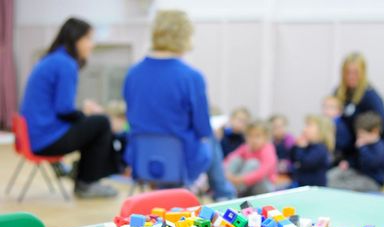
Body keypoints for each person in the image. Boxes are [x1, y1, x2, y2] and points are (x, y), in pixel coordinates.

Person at [123, 10, 235, 200]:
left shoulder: (132, 74)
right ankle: (223, 195)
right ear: (184, 36)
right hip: (181, 161)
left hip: (141, 159)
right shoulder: (191, 77)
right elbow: (202, 129)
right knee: (211, 139)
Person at [20, 18, 119, 198]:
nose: (92, 45)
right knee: (102, 123)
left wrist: (84, 115)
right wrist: (86, 114)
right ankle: (87, 183)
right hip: (46, 139)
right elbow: (64, 110)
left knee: (93, 123)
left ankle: (81, 175)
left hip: (33, 136)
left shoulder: (52, 59)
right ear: (76, 39)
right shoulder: (65, 63)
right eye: (89, 39)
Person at [334, 52, 384, 164]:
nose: (351, 76)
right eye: (347, 72)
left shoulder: (370, 96)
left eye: (355, 73)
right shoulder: (339, 92)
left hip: (364, 154)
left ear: (363, 73)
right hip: (344, 153)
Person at [328, 112, 384, 192]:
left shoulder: (380, 148)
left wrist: (363, 148)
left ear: (375, 132)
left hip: (373, 181)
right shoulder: (365, 144)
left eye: (362, 135)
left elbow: (370, 163)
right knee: (331, 176)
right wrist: (348, 163)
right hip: (359, 174)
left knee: (341, 186)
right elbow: (357, 161)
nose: (359, 138)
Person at [224, 121, 277, 197]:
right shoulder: (247, 147)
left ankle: (232, 191)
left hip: (264, 187)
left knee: (253, 163)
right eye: (250, 136)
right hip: (247, 186)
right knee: (237, 159)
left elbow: (261, 173)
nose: (253, 140)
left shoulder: (268, 150)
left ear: (266, 138)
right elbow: (230, 157)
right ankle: (227, 187)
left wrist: (239, 179)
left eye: (257, 136)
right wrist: (227, 173)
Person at [291, 115, 334, 187]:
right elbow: (293, 158)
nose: (304, 129)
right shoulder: (308, 146)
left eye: (309, 126)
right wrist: (296, 146)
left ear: (321, 131)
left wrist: (301, 148)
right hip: (302, 185)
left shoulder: (321, 149)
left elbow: (306, 162)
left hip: (315, 188)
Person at [322, 96, 352, 166]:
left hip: (338, 160)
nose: (327, 110)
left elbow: (344, 146)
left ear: (339, 111)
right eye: (325, 107)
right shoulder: (323, 124)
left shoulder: (340, 126)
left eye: (331, 107)